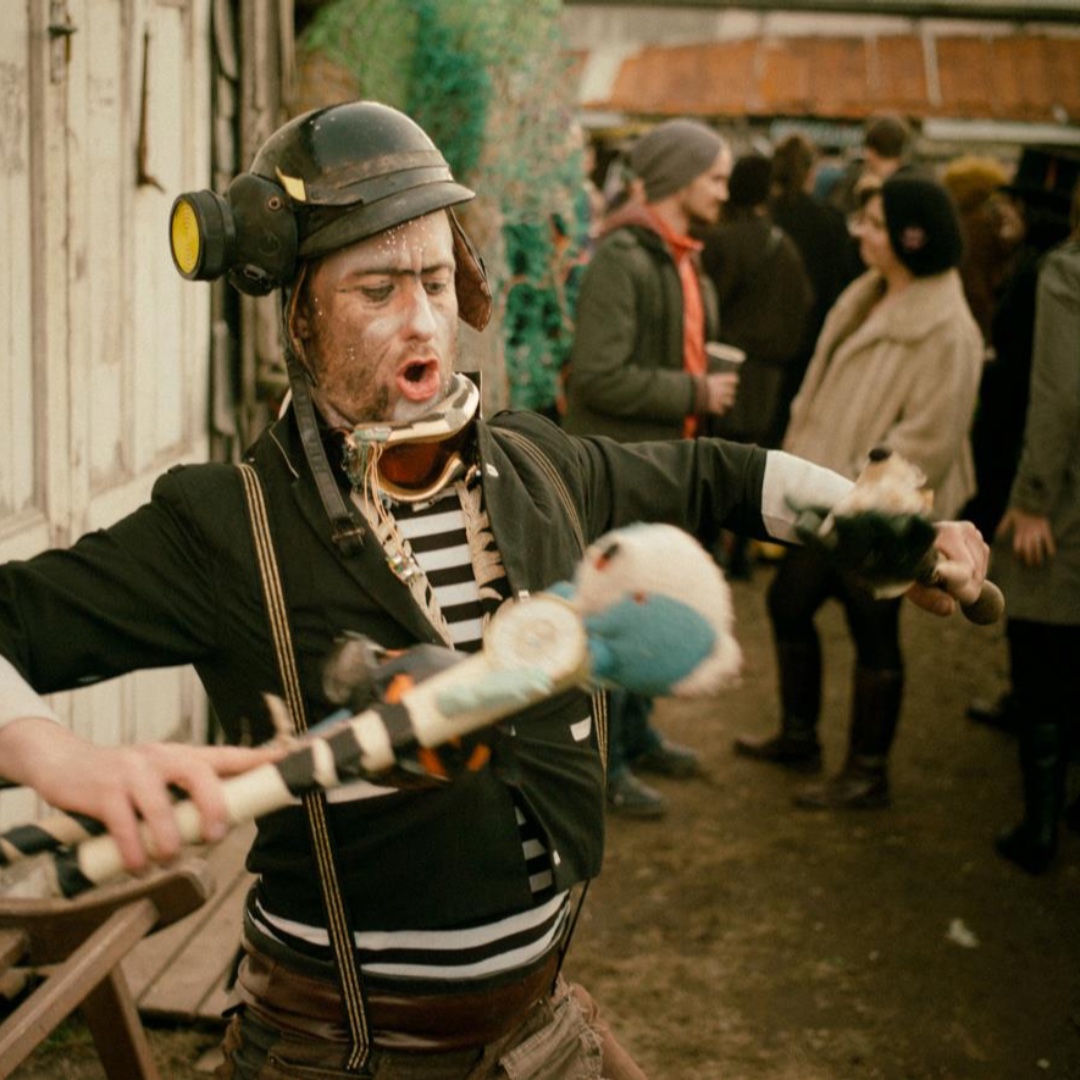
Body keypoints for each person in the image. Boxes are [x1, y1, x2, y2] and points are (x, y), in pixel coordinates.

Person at [0, 102, 989, 1079]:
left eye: (435, 279)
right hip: (340, 1054)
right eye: (376, 289)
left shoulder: (537, 464)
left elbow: (719, 477)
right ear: (300, 313)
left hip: (538, 1030)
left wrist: (892, 531)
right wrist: (55, 754)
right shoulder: (226, 523)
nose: (423, 318)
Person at [734, 173, 984, 811]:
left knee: (873, 625)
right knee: (789, 603)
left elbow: (930, 437)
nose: (859, 232)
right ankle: (799, 737)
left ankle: (868, 771)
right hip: (826, 494)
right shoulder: (867, 291)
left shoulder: (948, 328)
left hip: (882, 514)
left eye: (874, 224)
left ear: (912, 238)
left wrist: (865, 502)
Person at [562, 117, 737, 818]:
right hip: (621, 468)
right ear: (680, 178)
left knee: (653, 607)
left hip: (658, 464)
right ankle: (607, 765)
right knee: (618, 620)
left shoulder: (679, 254)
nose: (727, 191)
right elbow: (597, 377)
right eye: (717, 177)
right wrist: (695, 392)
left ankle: (638, 737)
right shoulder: (623, 258)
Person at [989, 181, 1080, 875]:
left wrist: (1033, 499)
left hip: (1069, 496)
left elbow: (1058, 392)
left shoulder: (1067, 271)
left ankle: (1040, 825)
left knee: (1043, 644)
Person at [769, 132, 865, 442]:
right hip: (809, 341)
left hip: (761, 350)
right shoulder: (830, 222)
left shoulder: (763, 216)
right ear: (813, 172)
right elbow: (842, 283)